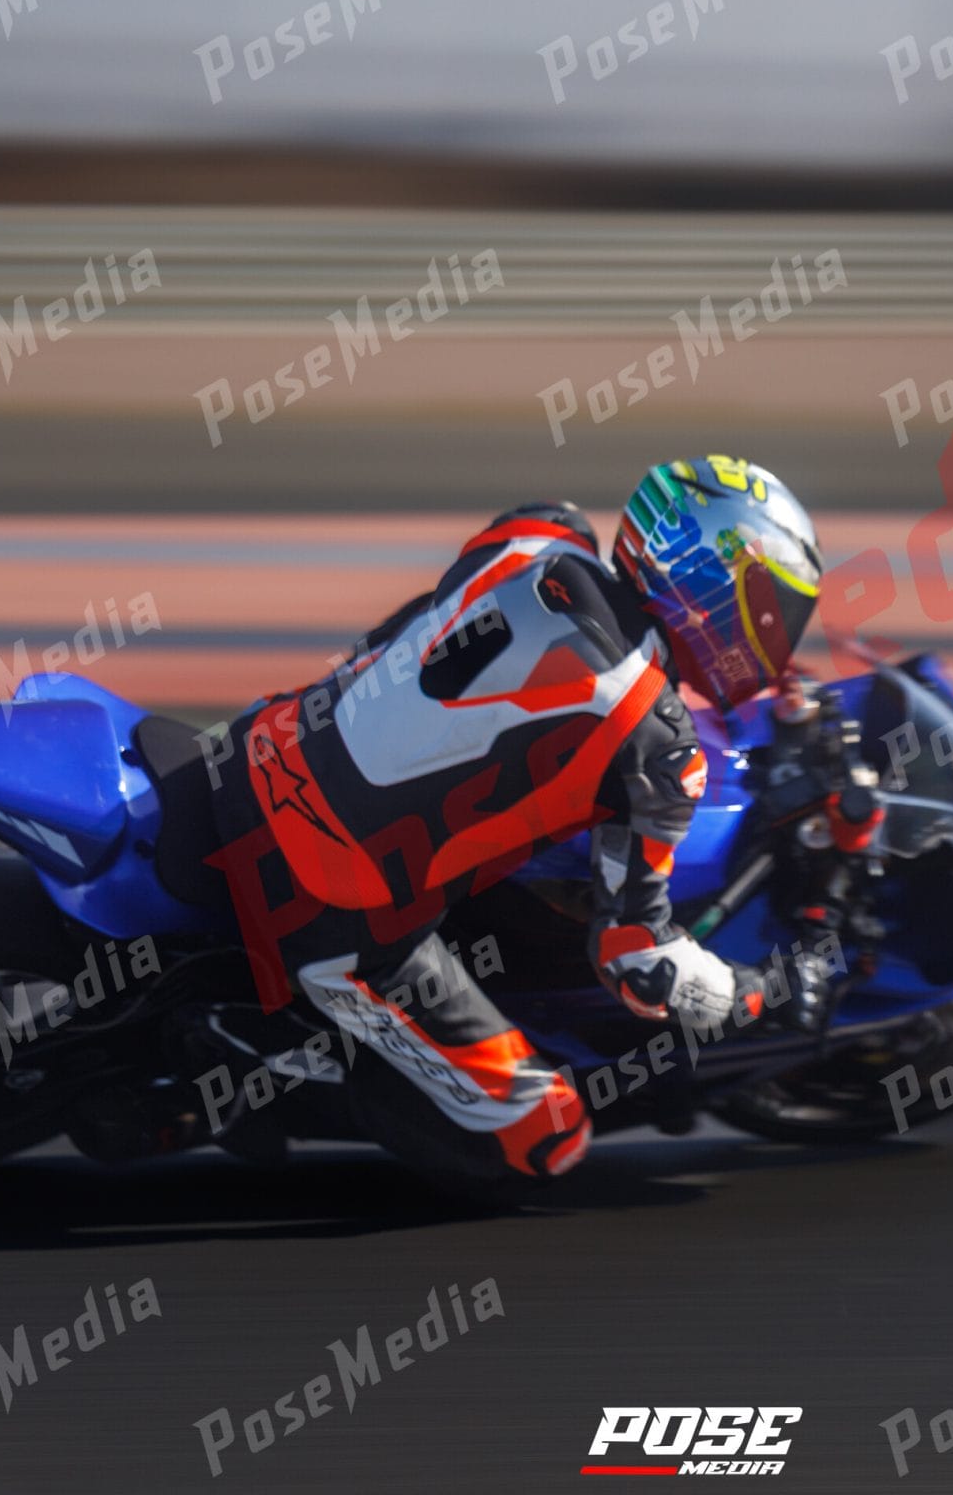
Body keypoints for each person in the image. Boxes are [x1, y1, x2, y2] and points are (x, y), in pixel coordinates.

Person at [206, 456, 834, 1191]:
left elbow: (426, 633)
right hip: (327, 897)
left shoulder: (540, 531)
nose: (773, 634)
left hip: (258, 749)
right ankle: (261, 1063)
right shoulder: (658, 741)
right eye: (770, 610)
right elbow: (640, 965)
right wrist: (759, 991)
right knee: (548, 1135)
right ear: (711, 584)